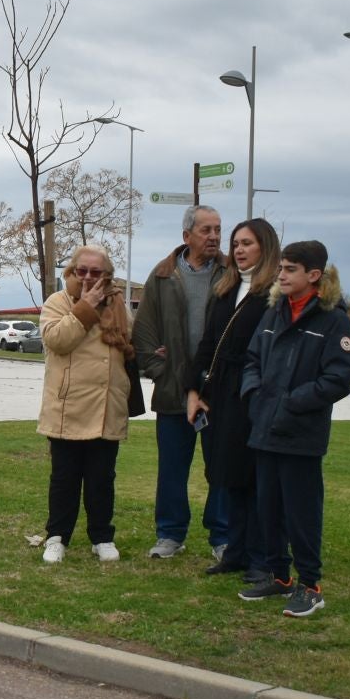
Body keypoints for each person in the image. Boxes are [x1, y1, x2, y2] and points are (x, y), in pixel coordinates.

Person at [237, 240, 350, 616]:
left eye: (290, 269)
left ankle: (310, 584)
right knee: (267, 507)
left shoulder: (333, 318)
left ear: (314, 275)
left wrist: (292, 402)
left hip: (301, 434)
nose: (282, 275)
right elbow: (252, 359)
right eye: (281, 269)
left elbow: (338, 378)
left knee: (301, 512)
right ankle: (279, 575)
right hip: (264, 429)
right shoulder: (274, 312)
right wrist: (255, 395)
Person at [187, 220, 282, 582]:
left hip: (253, 393)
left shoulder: (274, 291)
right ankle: (236, 551)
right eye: (236, 244)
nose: (239, 250)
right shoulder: (226, 288)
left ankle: (263, 557)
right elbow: (208, 344)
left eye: (248, 243)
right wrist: (193, 391)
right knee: (229, 477)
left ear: (266, 247)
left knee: (255, 479)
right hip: (220, 394)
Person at [132, 204, 229, 560]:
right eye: (206, 230)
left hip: (218, 393)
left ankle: (223, 536)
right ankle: (170, 534)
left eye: (218, 229)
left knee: (220, 468)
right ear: (187, 236)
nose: (214, 236)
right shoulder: (162, 276)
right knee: (172, 470)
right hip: (173, 392)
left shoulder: (232, 273)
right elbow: (143, 334)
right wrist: (162, 372)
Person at [33, 244, 137, 563]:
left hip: (107, 405)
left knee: (101, 479)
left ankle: (102, 537)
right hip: (68, 406)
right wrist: (86, 307)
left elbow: (129, 345)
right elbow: (57, 340)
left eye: (97, 272)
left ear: (108, 275)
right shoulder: (57, 302)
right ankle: (57, 537)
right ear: (72, 272)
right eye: (83, 271)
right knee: (64, 478)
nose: (89, 278)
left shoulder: (119, 304)